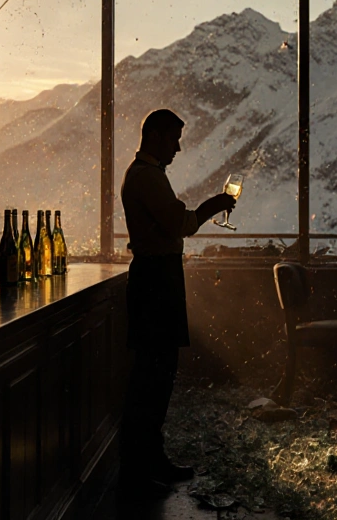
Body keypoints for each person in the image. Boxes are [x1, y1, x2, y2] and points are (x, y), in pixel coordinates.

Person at [118, 109, 236, 499]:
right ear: (153, 135)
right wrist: (213, 206)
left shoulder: (146, 175)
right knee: (154, 375)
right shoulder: (147, 178)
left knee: (157, 374)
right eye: (173, 139)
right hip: (156, 282)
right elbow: (178, 224)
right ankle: (142, 466)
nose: (178, 147)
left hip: (157, 279)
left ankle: (150, 459)